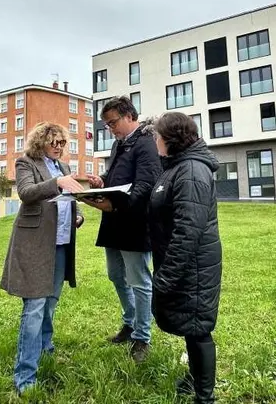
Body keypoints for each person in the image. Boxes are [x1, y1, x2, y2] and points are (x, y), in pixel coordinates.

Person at [0, 122, 85, 394]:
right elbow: (26, 194)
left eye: (63, 143)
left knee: (51, 302)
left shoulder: (65, 168)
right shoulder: (26, 163)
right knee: (34, 306)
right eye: (54, 142)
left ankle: (46, 347)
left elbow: (68, 202)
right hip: (34, 245)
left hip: (60, 244)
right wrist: (57, 183)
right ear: (41, 142)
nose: (60, 147)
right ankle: (25, 377)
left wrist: (77, 216)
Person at [147, 112, 222, 404]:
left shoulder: (191, 170)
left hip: (195, 265)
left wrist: (166, 276)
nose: (154, 140)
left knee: (199, 327)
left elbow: (188, 230)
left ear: (169, 139)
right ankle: (194, 379)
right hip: (185, 263)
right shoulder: (177, 167)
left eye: (156, 136)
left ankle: (205, 397)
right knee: (191, 326)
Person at [84, 96, 162, 362]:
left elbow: (145, 186)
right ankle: (130, 323)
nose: (110, 129)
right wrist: (101, 180)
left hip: (134, 223)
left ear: (129, 116)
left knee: (139, 281)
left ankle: (142, 337)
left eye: (112, 122)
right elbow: (118, 178)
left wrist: (115, 205)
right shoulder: (119, 145)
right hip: (114, 222)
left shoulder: (146, 143)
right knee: (116, 275)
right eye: (106, 125)